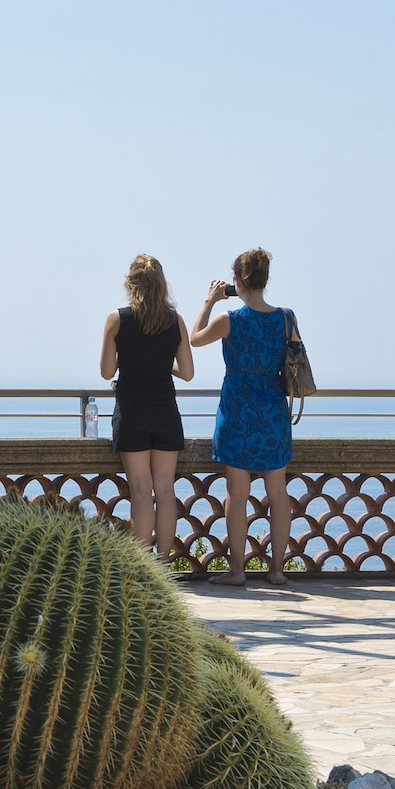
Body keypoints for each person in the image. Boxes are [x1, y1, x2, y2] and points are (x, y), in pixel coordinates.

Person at [190, 247, 297, 587]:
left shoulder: (229, 320)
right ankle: (277, 569)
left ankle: (237, 571)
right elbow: (294, 356)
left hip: (237, 407)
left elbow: (194, 339)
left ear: (236, 281)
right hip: (272, 408)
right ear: (264, 281)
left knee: (237, 493)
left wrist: (209, 300)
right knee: (277, 493)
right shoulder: (286, 317)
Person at [100, 254, 192, 558]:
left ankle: (143, 566)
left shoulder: (117, 319)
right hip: (164, 408)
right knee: (165, 490)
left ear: (131, 283)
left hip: (131, 409)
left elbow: (106, 372)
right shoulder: (174, 320)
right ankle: (164, 562)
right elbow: (188, 373)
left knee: (140, 489)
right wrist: (163, 364)